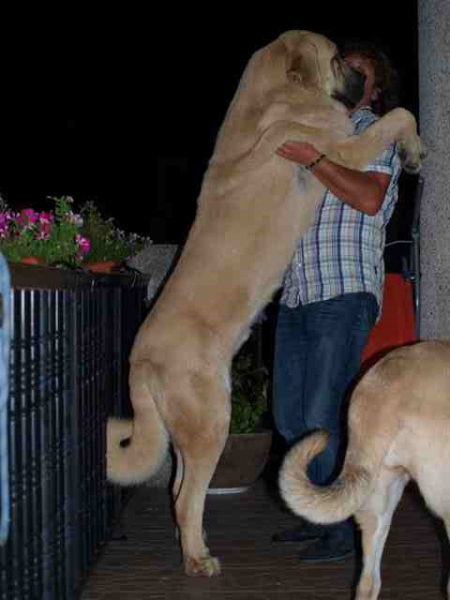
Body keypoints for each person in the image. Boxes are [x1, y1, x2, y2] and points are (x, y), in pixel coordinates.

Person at [271, 41, 403, 562]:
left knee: (323, 413)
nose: (346, 78)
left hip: (343, 291)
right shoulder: (316, 131)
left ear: (374, 89)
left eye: (358, 74)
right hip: (297, 293)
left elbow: (369, 198)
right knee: (290, 418)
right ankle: (316, 513)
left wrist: (315, 159)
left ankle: (346, 530)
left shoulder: (377, 131)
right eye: (340, 71)